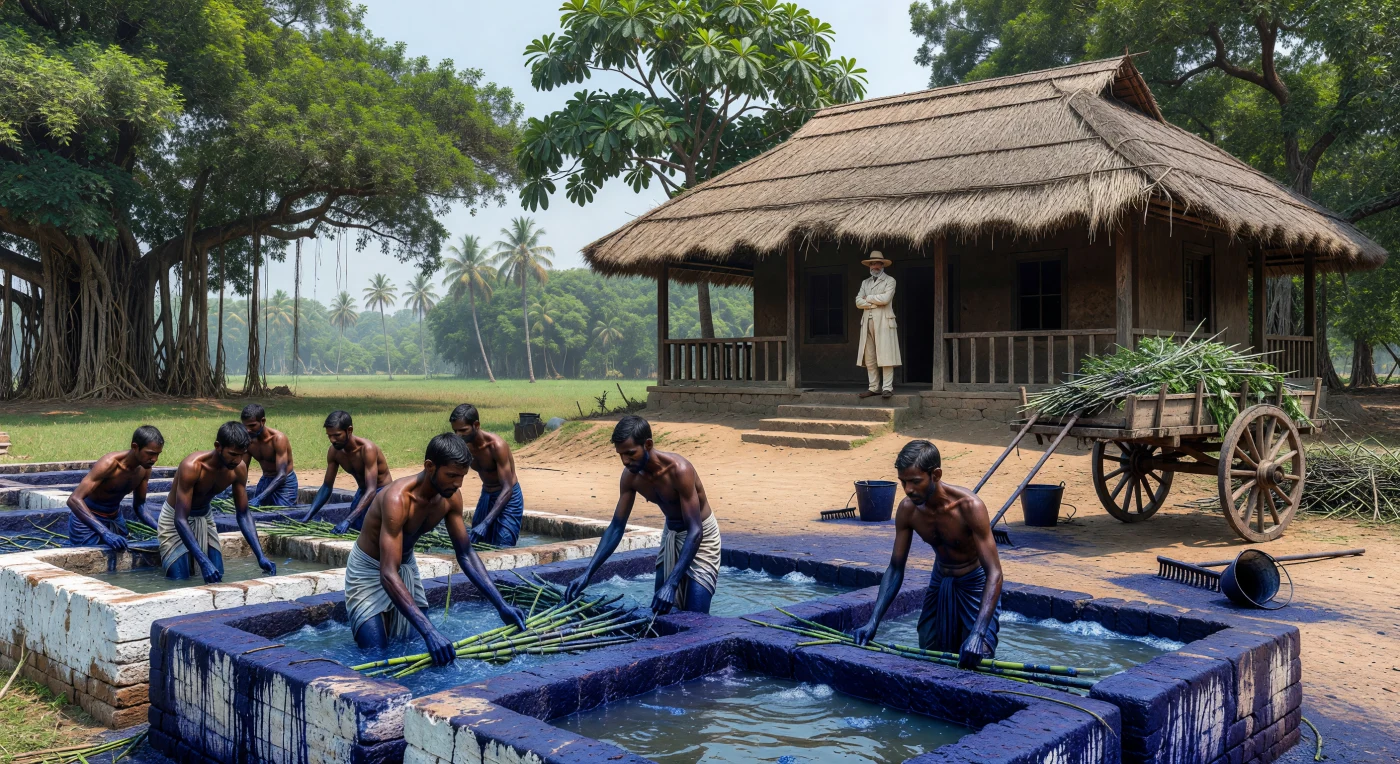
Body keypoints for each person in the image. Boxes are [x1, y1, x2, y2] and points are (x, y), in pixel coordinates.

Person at [344, 434, 527, 662]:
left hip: (404, 566)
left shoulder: (451, 498)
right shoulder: (397, 499)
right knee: (375, 653)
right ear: (430, 467)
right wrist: (430, 631)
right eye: (451, 475)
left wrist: (501, 605)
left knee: (415, 648)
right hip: (369, 570)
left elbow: (466, 553)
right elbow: (387, 573)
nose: (458, 484)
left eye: (462, 476)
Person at [852, 440, 1003, 669]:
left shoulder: (970, 507)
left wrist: (978, 633)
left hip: (975, 583)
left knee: (977, 655)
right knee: (929, 652)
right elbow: (895, 568)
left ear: (936, 475)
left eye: (915, 482)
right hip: (940, 580)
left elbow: (995, 573)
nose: (908, 489)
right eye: (903, 482)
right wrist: (873, 622)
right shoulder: (908, 510)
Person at [564, 416, 721, 615]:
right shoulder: (630, 477)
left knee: (695, 616)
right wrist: (587, 574)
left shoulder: (680, 471)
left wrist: (671, 584)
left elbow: (695, 531)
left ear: (648, 445)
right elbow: (616, 527)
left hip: (701, 536)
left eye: (630, 453)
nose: (625, 461)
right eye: (620, 454)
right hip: (671, 533)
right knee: (659, 611)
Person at [159, 422, 277, 582]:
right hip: (175, 519)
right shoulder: (192, 467)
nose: (237, 460)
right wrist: (203, 562)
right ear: (218, 446)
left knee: (217, 575)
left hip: (204, 517)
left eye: (242, 454)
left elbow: (243, 514)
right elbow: (180, 519)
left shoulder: (239, 469)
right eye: (233, 454)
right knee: (180, 579)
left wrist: (260, 556)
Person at [66, 426, 164, 549]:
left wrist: (160, 530)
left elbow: (140, 505)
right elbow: (74, 500)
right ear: (135, 447)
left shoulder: (145, 468)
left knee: (124, 549)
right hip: (87, 521)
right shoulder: (109, 464)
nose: (155, 459)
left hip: (114, 517)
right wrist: (105, 533)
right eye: (150, 454)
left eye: (158, 454)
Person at [303, 410, 392, 534]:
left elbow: (372, 490)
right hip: (363, 491)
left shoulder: (367, 449)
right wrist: (307, 516)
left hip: (382, 492)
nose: (332, 440)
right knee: (355, 530)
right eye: (329, 436)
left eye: (337, 435)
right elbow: (327, 487)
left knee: (370, 532)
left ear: (349, 430)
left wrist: (347, 520)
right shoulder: (334, 452)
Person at [449, 404, 523, 547]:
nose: (458, 435)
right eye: (455, 431)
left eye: (463, 430)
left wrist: (486, 523)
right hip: (487, 495)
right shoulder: (463, 446)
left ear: (476, 425)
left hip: (508, 496)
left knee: (503, 546)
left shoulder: (496, 446)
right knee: (476, 543)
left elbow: (507, 488)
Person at [215, 403, 298, 507]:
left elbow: (282, 474)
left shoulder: (278, 439)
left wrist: (260, 497)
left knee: (283, 513)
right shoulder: (249, 442)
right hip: (266, 479)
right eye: (245, 426)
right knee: (255, 511)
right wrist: (227, 489)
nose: (248, 430)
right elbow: (242, 468)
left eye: (252, 425)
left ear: (262, 421)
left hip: (284, 483)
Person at [855, 251, 902, 399]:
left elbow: (885, 299)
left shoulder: (890, 280)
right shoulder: (865, 282)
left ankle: (887, 388)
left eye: (877, 263)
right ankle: (874, 387)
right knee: (870, 356)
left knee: (885, 355)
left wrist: (868, 298)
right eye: (872, 263)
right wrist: (873, 303)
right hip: (867, 321)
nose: (875, 266)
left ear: (882, 265)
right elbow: (858, 302)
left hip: (884, 321)